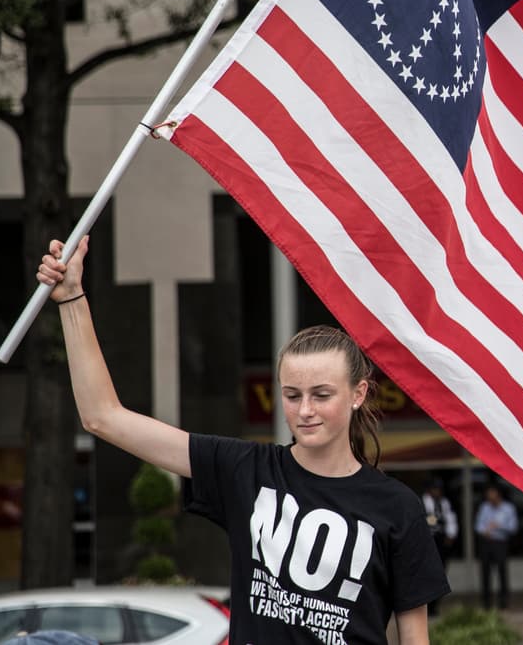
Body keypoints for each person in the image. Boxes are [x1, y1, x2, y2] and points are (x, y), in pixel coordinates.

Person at [36, 238, 448, 645]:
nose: (305, 410)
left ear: (358, 394)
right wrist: (72, 298)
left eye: (322, 395)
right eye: (291, 395)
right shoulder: (244, 469)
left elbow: (414, 637)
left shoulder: (398, 508)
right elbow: (103, 417)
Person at [474, 484, 518, 610]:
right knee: (485, 572)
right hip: (486, 542)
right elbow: (478, 526)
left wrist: (498, 527)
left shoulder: (508, 508)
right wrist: (485, 531)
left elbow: (513, 527)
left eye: (492, 494)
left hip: (500, 543)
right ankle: (486, 602)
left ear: (498, 495)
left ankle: (503, 600)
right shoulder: (484, 507)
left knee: (502, 571)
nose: (489, 497)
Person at [419, 479, 458, 615]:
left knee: (440, 574)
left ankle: (435, 606)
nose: (437, 492)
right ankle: (426, 607)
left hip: (440, 544)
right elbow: (423, 519)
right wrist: (436, 520)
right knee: (425, 575)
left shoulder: (444, 503)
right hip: (425, 543)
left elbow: (450, 519)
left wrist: (450, 534)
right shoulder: (421, 501)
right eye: (435, 489)